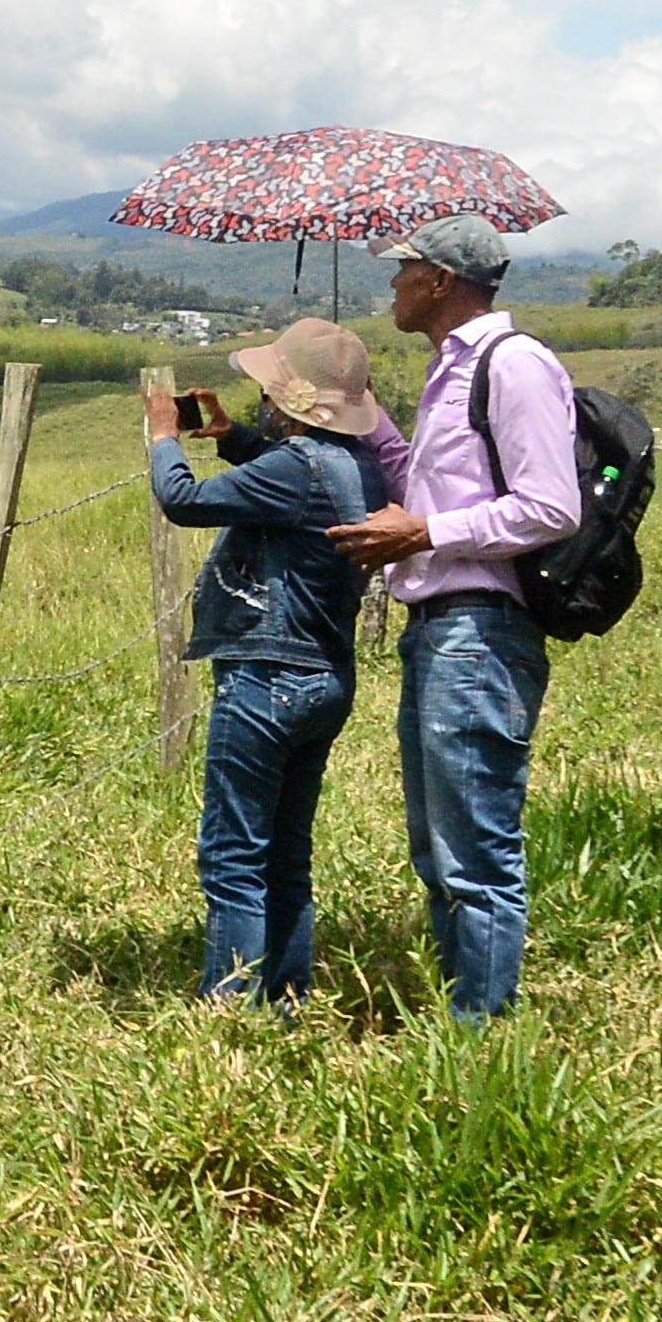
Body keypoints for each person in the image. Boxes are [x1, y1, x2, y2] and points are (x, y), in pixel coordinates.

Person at [327, 213, 580, 1020]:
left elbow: (550, 507)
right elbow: (431, 483)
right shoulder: (451, 372)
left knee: (475, 855)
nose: (393, 283)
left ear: (440, 280)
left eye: (404, 269)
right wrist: (363, 414)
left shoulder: (516, 366)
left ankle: (480, 1039)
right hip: (439, 631)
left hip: (480, 632)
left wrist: (427, 531)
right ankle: (461, 1016)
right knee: (438, 852)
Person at [143, 320, 392, 1009]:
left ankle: (227, 1009)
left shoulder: (295, 466)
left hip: (267, 676)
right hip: (323, 678)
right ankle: (285, 1000)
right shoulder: (360, 465)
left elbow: (182, 501)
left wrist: (165, 436)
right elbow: (297, 488)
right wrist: (235, 439)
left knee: (233, 856)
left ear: (288, 398)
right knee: (285, 855)